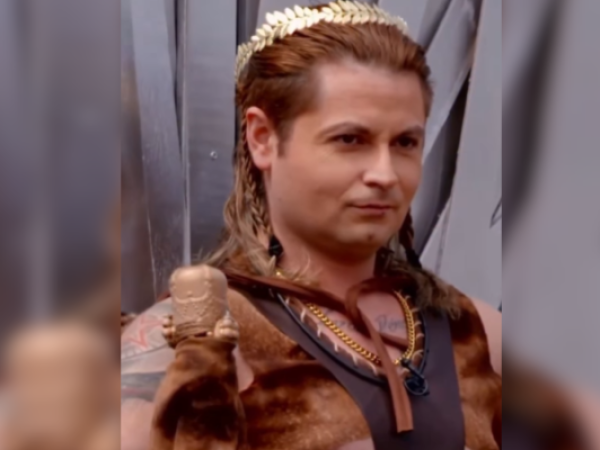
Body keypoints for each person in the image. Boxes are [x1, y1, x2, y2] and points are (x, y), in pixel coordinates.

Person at [121, 2, 503, 449]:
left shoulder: (477, 334)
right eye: (350, 139)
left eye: (404, 142)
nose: (384, 173)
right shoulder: (189, 340)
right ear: (263, 138)